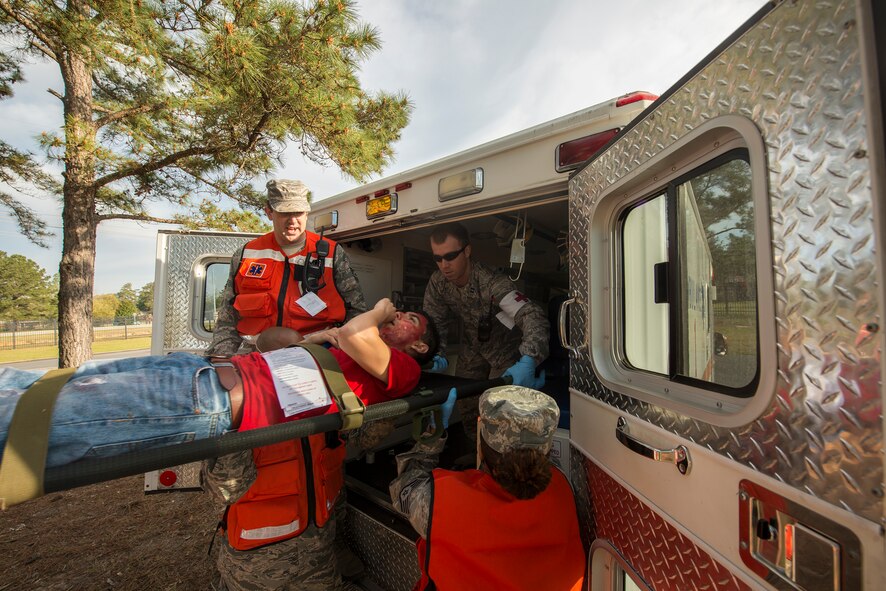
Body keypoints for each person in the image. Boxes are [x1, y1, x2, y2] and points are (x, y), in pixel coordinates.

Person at [389, 386, 585, 591]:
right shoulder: (564, 488)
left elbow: (404, 486)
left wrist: (430, 439)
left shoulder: (440, 500)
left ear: (481, 448)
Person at [206, 179, 367, 358]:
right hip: (257, 355)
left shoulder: (332, 253)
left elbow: (357, 311)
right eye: (284, 213)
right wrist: (221, 359)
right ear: (269, 212)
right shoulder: (247, 254)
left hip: (316, 354)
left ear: (306, 213)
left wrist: (347, 355)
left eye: (298, 212)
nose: (292, 221)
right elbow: (228, 317)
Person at [422, 221, 549, 443]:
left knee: (498, 408)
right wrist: (436, 352)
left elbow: (533, 316)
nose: (444, 265)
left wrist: (529, 358)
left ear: (467, 251)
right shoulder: (439, 283)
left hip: (506, 350)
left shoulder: (491, 283)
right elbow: (434, 321)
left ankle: (497, 456)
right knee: (467, 402)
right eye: (437, 258)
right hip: (474, 347)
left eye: (450, 256)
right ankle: (476, 453)